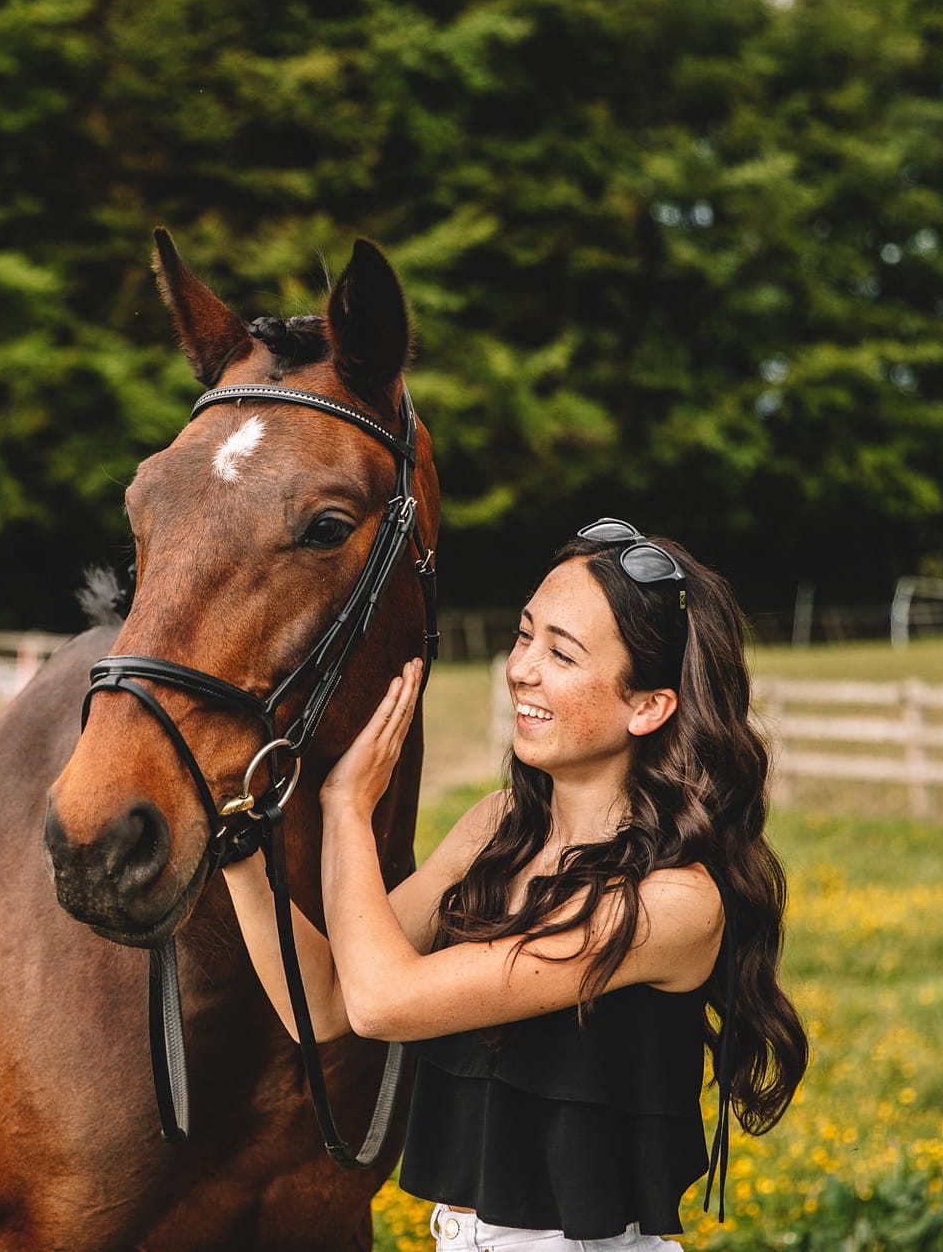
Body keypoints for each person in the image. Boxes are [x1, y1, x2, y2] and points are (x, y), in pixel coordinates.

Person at [222, 519, 809, 1251]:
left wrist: (347, 807)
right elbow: (328, 1002)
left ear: (648, 706)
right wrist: (240, 857)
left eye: (561, 652)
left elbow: (380, 1001)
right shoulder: (497, 826)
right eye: (524, 633)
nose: (521, 668)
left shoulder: (669, 902)